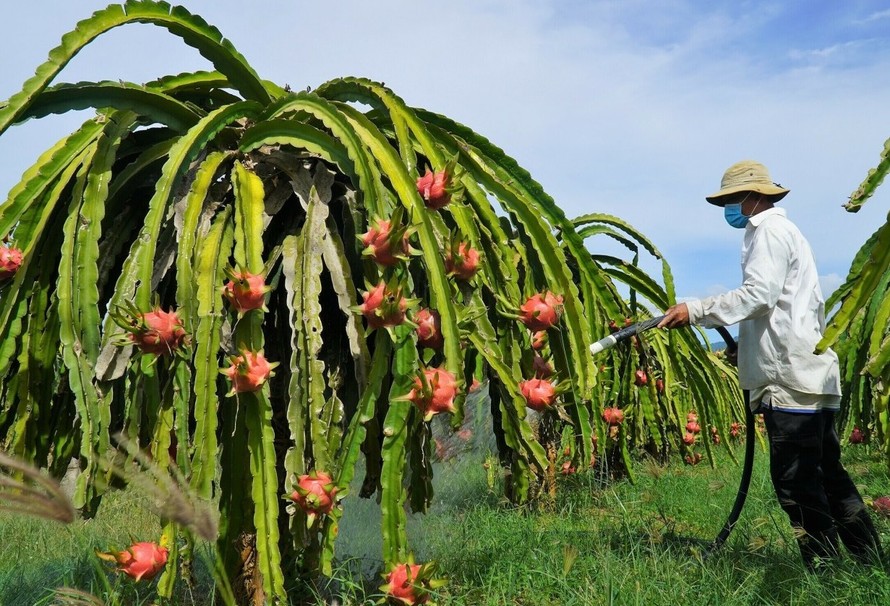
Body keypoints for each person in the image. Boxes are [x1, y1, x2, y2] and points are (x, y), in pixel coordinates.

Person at [658, 160, 881, 569]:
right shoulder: (785, 233)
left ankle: (825, 568)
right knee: (828, 476)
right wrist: (745, 349)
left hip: (790, 379)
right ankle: (870, 562)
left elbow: (758, 295)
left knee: (796, 482)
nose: (730, 209)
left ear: (753, 197)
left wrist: (697, 308)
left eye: (732, 200)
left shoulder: (768, 231)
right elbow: (780, 312)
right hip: (809, 373)